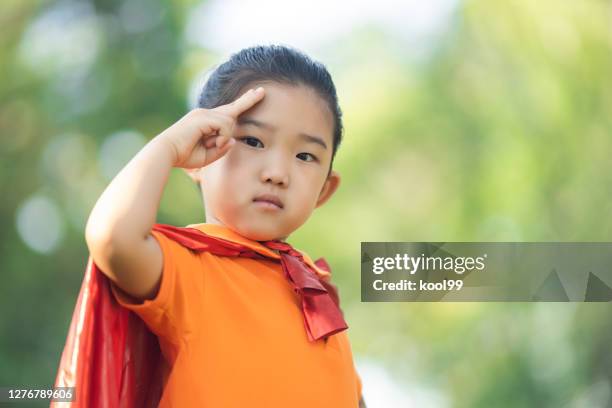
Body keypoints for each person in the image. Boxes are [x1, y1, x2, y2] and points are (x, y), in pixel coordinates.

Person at [66, 44, 365, 407]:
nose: (276, 174)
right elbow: (113, 240)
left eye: (305, 156)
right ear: (198, 154)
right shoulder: (192, 269)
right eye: (253, 141)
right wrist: (168, 147)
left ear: (324, 189)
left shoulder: (316, 292)